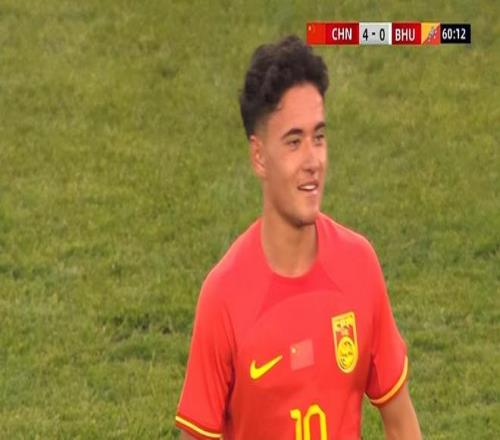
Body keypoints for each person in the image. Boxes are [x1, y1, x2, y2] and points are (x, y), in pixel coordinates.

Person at [175, 35, 422, 440]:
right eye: (294, 142)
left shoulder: (359, 265)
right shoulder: (224, 297)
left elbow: (402, 426)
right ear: (259, 156)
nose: (313, 161)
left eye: (318, 137)